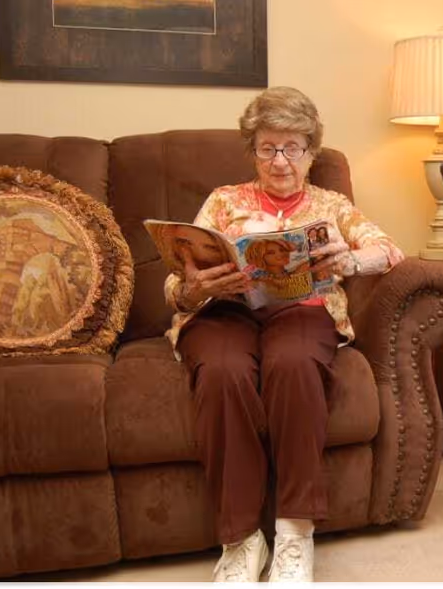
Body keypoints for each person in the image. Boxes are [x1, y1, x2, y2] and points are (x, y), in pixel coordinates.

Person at [163, 86, 405, 583]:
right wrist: (193, 288)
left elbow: (388, 250)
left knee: (293, 364)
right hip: (226, 311)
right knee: (223, 371)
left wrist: (350, 260)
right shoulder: (223, 201)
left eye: (292, 148)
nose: (279, 161)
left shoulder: (330, 204)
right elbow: (176, 284)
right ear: (252, 151)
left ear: (311, 152)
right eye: (267, 148)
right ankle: (241, 540)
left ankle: (295, 534)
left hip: (302, 309)